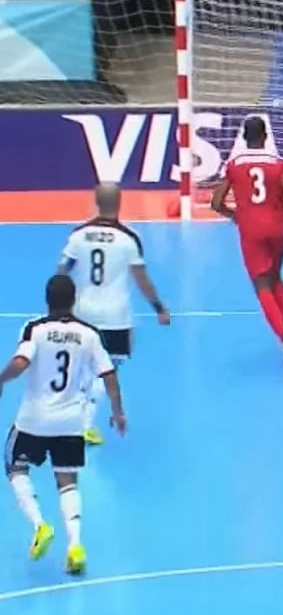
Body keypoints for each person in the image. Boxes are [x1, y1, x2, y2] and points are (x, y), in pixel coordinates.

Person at [0, 275, 126, 575]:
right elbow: (108, 374)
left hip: (34, 419)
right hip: (71, 423)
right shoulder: (90, 334)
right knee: (67, 480)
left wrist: (1, 380)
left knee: (15, 466)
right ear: (74, 299)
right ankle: (75, 546)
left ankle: (40, 524)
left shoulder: (36, 329)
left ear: (48, 299)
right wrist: (118, 412)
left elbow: (21, 361)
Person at [57, 183, 168, 446]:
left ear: (96, 202)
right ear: (119, 203)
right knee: (107, 370)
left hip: (82, 313)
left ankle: (71, 417)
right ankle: (83, 425)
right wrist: (158, 307)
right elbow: (141, 279)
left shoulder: (79, 235)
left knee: (84, 368)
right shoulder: (128, 238)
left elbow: (62, 272)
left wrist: (57, 308)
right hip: (116, 318)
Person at [211, 116, 283, 369]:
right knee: (275, 278)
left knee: (261, 286)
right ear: (266, 137)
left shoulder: (234, 165)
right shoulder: (280, 164)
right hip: (278, 228)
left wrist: (235, 216)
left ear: (244, 138)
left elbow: (216, 202)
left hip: (251, 229)